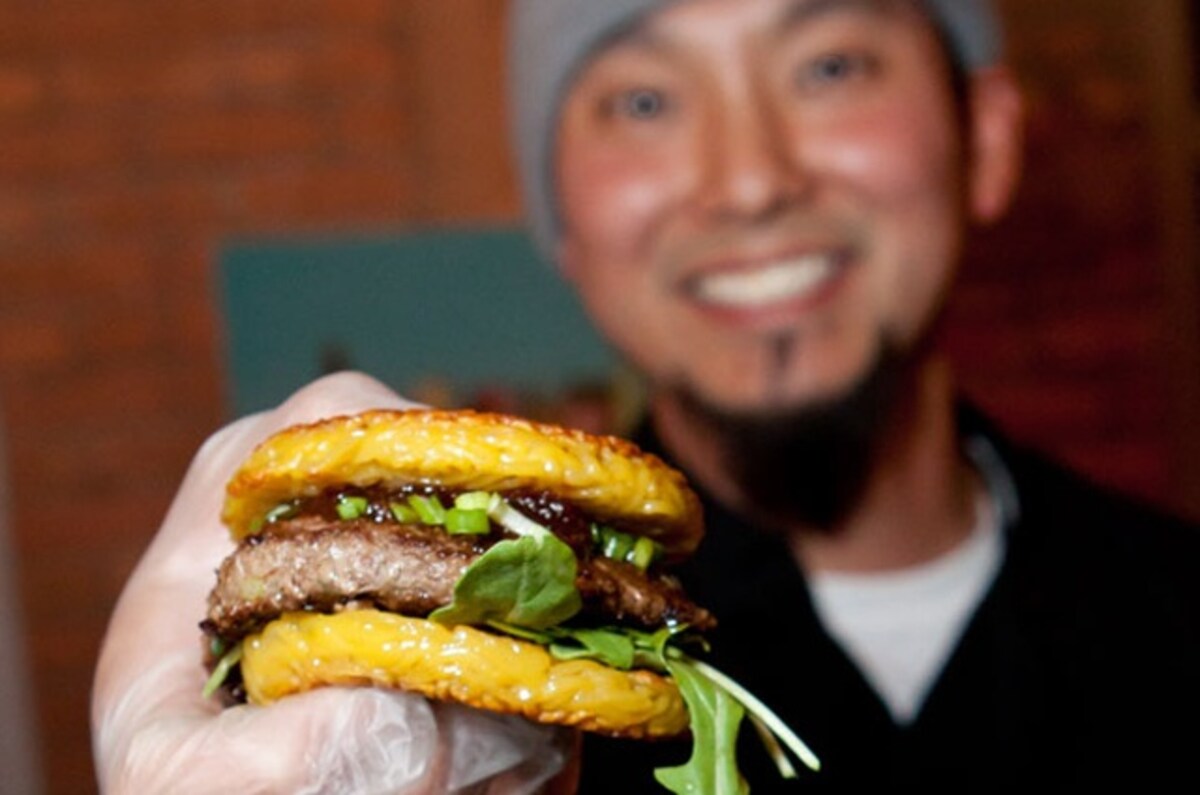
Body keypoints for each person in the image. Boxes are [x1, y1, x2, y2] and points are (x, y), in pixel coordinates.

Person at [507, 0, 1200, 789]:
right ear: (560, 213)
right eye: (645, 103)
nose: (751, 182)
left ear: (987, 137)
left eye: (830, 69)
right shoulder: (504, 717)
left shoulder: (1178, 619)